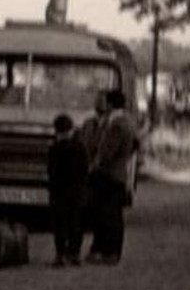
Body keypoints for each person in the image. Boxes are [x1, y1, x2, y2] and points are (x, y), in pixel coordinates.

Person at [85, 88, 138, 265]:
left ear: (110, 104)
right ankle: (105, 250)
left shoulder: (116, 125)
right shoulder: (125, 122)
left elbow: (107, 151)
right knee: (109, 214)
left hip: (110, 175)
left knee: (108, 215)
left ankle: (109, 251)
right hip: (116, 174)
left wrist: (94, 165)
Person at [46, 113, 89, 267]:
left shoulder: (54, 148)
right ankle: (75, 253)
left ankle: (60, 254)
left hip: (58, 191)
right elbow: (85, 168)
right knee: (75, 222)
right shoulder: (79, 147)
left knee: (59, 224)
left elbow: (51, 171)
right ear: (71, 129)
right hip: (76, 190)